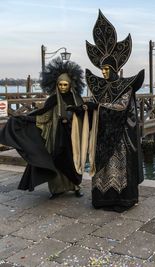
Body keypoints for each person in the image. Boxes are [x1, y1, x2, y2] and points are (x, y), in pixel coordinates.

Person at [75, 10, 144, 212]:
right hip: (102, 133)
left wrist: (100, 106)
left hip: (121, 136)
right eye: (102, 70)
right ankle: (102, 199)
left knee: (119, 167)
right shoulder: (100, 87)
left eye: (107, 70)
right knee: (102, 168)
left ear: (114, 69)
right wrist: (84, 108)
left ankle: (122, 200)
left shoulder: (126, 86)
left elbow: (122, 106)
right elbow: (95, 104)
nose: (103, 73)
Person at [0, 58, 85, 199]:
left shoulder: (77, 99)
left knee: (74, 162)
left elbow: (84, 116)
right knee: (56, 162)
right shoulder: (52, 100)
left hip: (73, 136)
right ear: (56, 85)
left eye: (65, 85)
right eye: (60, 85)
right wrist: (24, 118)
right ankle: (57, 190)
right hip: (56, 136)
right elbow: (43, 116)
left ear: (71, 85)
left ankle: (76, 187)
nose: (63, 87)